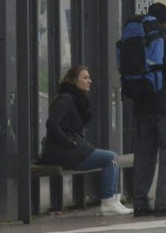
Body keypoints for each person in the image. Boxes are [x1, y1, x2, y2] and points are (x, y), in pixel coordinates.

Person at [121, 3, 166, 217]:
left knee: (144, 154)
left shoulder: (136, 43)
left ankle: (141, 201)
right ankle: (165, 201)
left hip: (142, 107)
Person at [40, 65, 131, 216]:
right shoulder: (65, 99)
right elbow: (52, 124)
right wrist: (68, 141)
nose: (90, 81)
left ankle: (114, 200)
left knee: (112, 157)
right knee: (111, 157)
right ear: (74, 81)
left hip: (70, 149)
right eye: (85, 78)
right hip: (63, 151)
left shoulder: (74, 99)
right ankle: (108, 201)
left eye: (88, 77)